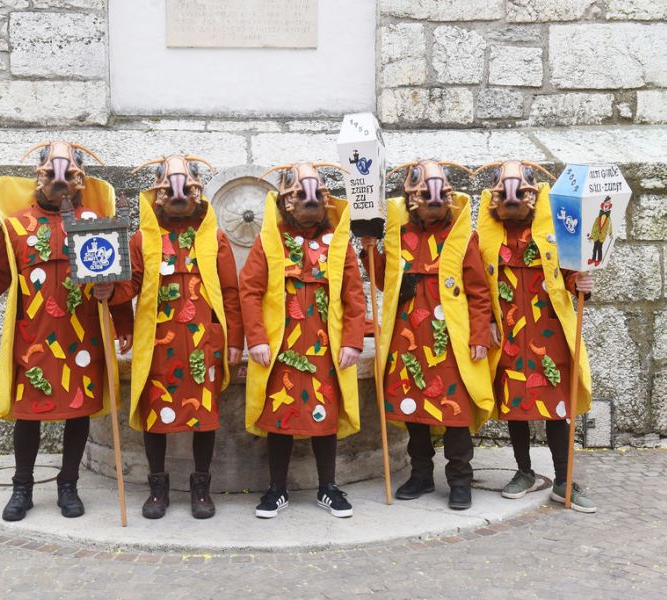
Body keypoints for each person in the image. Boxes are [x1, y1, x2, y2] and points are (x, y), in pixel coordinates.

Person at [0, 141, 133, 521]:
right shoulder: (16, 226)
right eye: (51, 171)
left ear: (80, 179)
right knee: (28, 413)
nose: (59, 178)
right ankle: (22, 487)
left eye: (69, 172)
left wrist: (121, 316)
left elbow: (113, 273)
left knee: (78, 410)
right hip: (34, 337)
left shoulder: (95, 221)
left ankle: (68, 484)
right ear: (38, 176)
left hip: (82, 337)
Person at [107, 155, 243, 519]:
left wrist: (235, 340)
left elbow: (230, 293)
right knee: (155, 413)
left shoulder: (215, 238)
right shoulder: (142, 239)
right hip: (158, 346)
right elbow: (129, 286)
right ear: (157, 195)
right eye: (168, 189)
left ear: (197, 193)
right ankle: (157, 488)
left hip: (203, 345)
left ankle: (201, 488)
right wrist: (110, 293)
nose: (177, 195)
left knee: (205, 415)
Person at [361, 159, 494, 510]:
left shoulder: (463, 237)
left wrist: (479, 336)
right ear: (411, 199)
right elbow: (382, 280)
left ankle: (460, 481)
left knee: (455, 413)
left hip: (449, 341)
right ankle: (421, 475)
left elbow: (479, 292)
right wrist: (369, 250)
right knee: (414, 411)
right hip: (407, 338)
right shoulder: (398, 235)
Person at [240, 161, 365, 519]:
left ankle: (328, 487)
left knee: (325, 415)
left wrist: (352, 340)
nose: (307, 199)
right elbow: (249, 290)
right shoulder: (269, 241)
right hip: (282, 346)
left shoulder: (339, 243)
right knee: (279, 415)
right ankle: (276, 489)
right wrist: (257, 339)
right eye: (297, 193)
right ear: (285, 201)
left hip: (326, 346)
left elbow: (354, 296)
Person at [474, 160, 596, 513]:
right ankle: (524, 472)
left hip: (549, 332)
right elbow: (478, 284)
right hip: (510, 334)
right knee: (517, 406)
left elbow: (569, 270)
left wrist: (580, 283)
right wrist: (488, 322)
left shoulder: (556, 227)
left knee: (557, 408)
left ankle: (563, 480)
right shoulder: (484, 237)